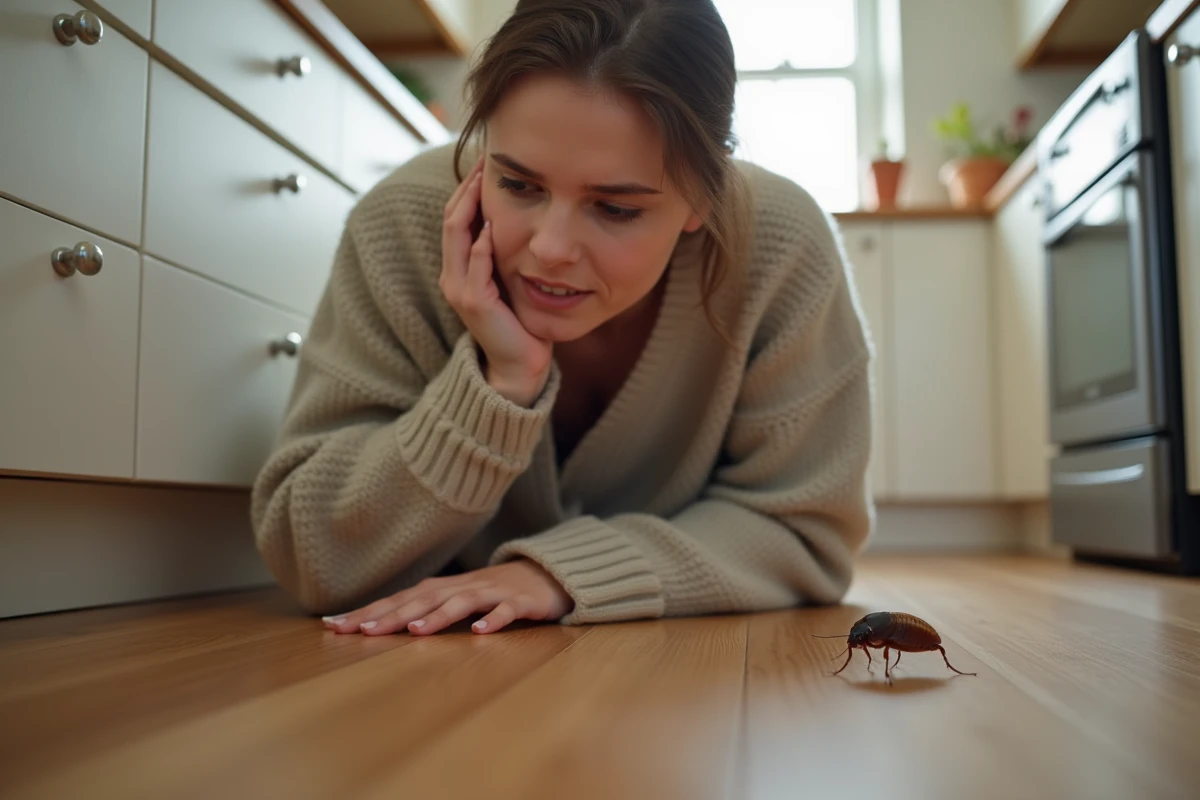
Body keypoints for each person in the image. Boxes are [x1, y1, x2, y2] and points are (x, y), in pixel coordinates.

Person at [250, 0, 876, 637]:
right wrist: (499, 387)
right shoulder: (402, 225)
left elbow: (807, 532)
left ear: (703, 196)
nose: (550, 248)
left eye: (616, 208)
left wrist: (559, 574)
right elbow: (312, 555)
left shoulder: (778, 245)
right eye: (518, 185)